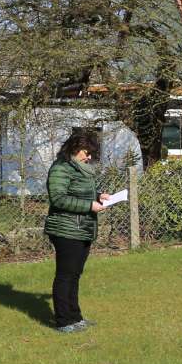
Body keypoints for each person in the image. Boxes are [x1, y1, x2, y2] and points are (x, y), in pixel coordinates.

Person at [44, 128, 111, 333]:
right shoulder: (60, 168)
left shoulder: (79, 168)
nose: (89, 157)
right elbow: (58, 198)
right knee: (65, 275)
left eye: (91, 153)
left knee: (75, 274)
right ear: (74, 148)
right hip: (66, 229)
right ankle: (63, 321)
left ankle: (75, 317)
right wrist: (89, 206)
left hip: (82, 228)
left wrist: (99, 196)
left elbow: (80, 192)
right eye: (86, 152)